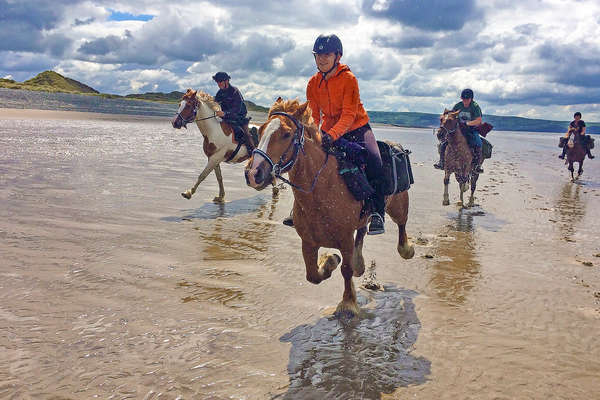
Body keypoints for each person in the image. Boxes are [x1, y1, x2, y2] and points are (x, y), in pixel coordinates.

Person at [283, 34, 386, 235]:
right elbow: (313, 114)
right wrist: (315, 135)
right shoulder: (313, 83)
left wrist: (332, 135)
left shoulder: (349, 79)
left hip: (357, 128)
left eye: (327, 54)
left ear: (337, 56)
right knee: (306, 160)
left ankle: (377, 213)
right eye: (318, 55)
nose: (322, 59)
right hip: (328, 129)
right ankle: (298, 208)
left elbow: (349, 114)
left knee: (375, 160)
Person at [434, 88, 484, 173]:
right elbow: (451, 116)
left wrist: (467, 123)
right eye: (463, 99)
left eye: (467, 99)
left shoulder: (475, 107)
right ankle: (441, 162)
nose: (465, 101)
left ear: (471, 99)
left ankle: (477, 165)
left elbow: (478, 120)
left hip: (471, 129)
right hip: (459, 128)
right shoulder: (458, 106)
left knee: (478, 142)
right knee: (444, 143)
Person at [212, 72, 254, 153]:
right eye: (217, 82)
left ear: (227, 81)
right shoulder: (219, 93)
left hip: (239, 116)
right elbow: (215, 103)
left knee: (246, 134)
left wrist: (225, 113)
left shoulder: (235, 91)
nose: (218, 84)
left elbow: (237, 109)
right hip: (226, 117)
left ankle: (252, 150)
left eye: (220, 81)